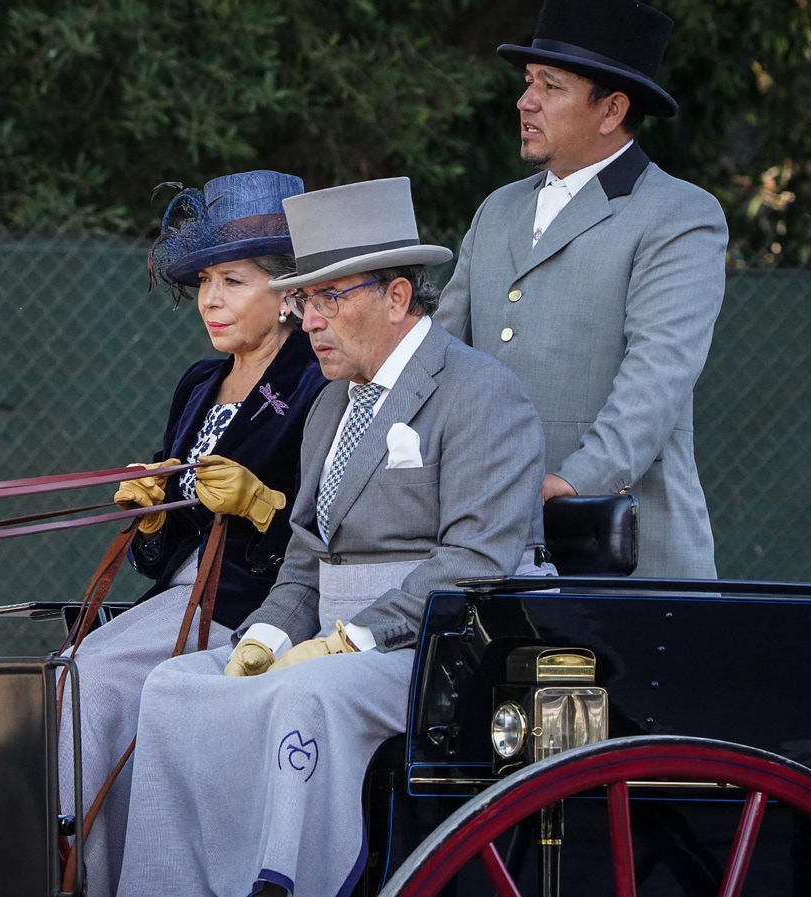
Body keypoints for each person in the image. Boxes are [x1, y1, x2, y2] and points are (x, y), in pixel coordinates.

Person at [116, 177, 551, 897]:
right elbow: (306, 555)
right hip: (340, 637)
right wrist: (263, 637)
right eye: (303, 299)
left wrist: (351, 637)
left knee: (308, 694)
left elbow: (474, 559)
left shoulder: (480, 390)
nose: (309, 319)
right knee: (173, 685)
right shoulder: (330, 409)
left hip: (451, 643)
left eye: (328, 297)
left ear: (397, 297)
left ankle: (282, 880)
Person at [57, 170, 329, 897]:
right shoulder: (198, 382)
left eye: (234, 280)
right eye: (206, 280)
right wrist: (150, 513)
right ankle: (81, 865)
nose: (211, 299)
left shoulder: (316, 381)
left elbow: (322, 528)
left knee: (91, 677)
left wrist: (264, 503)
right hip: (178, 600)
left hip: (255, 609)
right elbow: (158, 555)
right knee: (72, 670)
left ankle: (93, 875)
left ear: (290, 291)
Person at [436, 0, 728, 579]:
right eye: (528, 83)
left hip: (627, 549)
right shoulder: (498, 210)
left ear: (612, 109)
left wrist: (572, 481)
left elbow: (657, 376)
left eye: (552, 85)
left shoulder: (680, 214)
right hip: (485, 541)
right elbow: (440, 355)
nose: (526, 101)